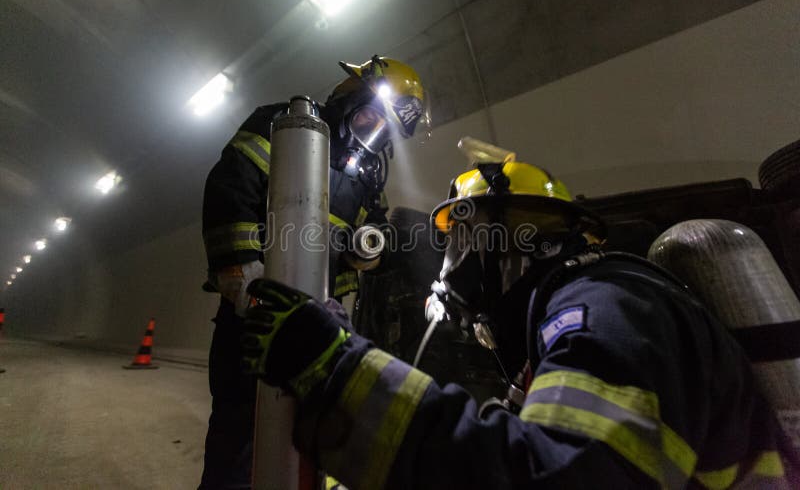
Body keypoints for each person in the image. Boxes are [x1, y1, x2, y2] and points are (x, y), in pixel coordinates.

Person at [240, 159, 799, 489]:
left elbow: (544, 476)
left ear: (502, 240)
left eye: (457, 241)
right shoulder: (584, 313)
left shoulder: (605, 313)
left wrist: (337, 372)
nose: (448, 268)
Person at [199, 55, 430, 488]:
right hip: (255, 315)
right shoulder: (281, 126)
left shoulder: (365, 176)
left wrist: (367, 250)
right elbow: (231, 188)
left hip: (319, 322)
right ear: (349, 99)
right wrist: (240, 269)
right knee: (239, 445)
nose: (374, 132)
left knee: (305, 442)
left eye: (385, 129)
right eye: (371, 117)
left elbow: (368, 231)